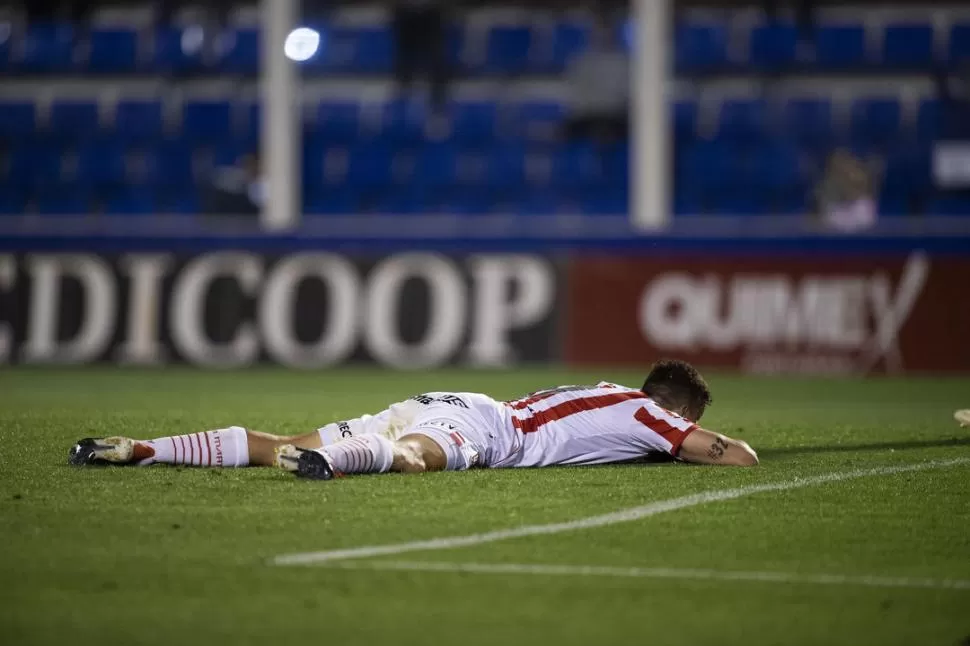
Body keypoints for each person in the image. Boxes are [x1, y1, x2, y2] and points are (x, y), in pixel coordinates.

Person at [68, 359, 759, 479]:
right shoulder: (649, 414)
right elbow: (736, 458)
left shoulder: (610, 391)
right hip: (489, 430)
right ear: (675, 408)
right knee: (415, 460)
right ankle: (332, 464)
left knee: (275, 442)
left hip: (446, 401)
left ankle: (143, 450)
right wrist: (687, 437)